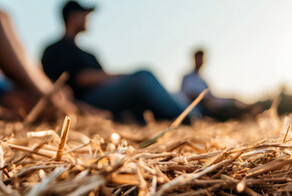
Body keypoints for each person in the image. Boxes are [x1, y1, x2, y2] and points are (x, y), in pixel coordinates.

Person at [41, 1, 196, 124]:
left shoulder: (89, 53)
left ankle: (176, 118)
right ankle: (189, 117)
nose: (87, 18)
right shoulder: (56, 49)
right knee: (143, 77)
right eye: (84, 14)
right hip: (83, 101)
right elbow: (81, 78)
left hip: (103, 97)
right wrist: (125, 77)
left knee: (140, 96)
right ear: (73, 16)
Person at [181, 49, 261, 121]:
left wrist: (227, 98)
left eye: (202, 58)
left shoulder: (203, 80)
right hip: (204, 109)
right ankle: (249, 110)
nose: (201, 61)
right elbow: (188, 95)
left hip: (213, 103)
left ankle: (250, 109)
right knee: (232, 109)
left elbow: (212, 95)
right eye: (199, 58)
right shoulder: (188, 78)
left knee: (233, 99)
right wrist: (206, 102)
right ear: (194, 59)